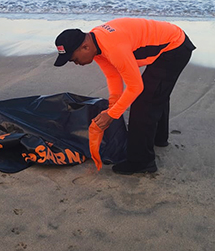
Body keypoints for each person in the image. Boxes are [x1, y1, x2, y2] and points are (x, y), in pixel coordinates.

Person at [53, 18, 195, 175]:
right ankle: (158, 138)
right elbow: (113, 76)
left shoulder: (113, 47)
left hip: (175, 47)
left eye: (74, 59)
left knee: (144, 103)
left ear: (85, 47)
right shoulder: (96, 45)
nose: (76, 63)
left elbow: (135, 87)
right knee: (155, 92)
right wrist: (112, 106)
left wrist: (112, 115)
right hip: (168, 41)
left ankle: (142, 162)